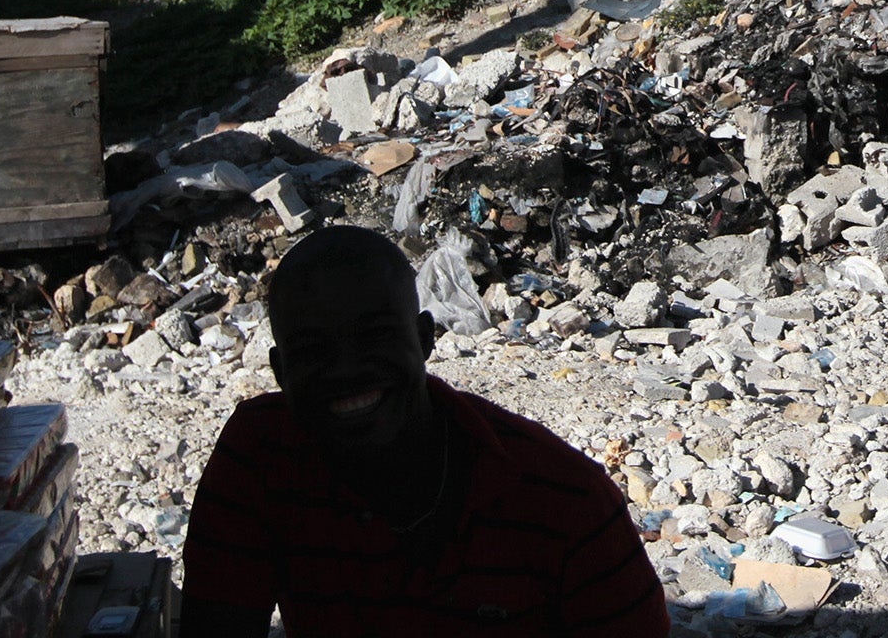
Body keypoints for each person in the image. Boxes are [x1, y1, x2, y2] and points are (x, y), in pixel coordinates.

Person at [181, 225, 669, 638]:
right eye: (313, 349)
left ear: (425, 340)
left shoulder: (563, 502)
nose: (346, 370)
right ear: (280, 371)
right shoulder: (262, 456)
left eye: (373, 336)